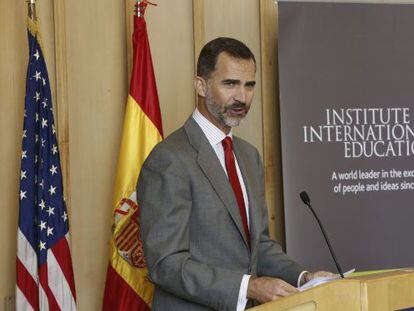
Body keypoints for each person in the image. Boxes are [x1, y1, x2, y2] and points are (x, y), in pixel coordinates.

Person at [137, 37, 333, 311]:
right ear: (201, 85)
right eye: (230, 84)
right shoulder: (169, 159)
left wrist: (304, 278)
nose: (242, 96)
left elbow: (259, 245)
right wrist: (248, 287)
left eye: (249, 85)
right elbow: (165, 263)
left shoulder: (248, 155)